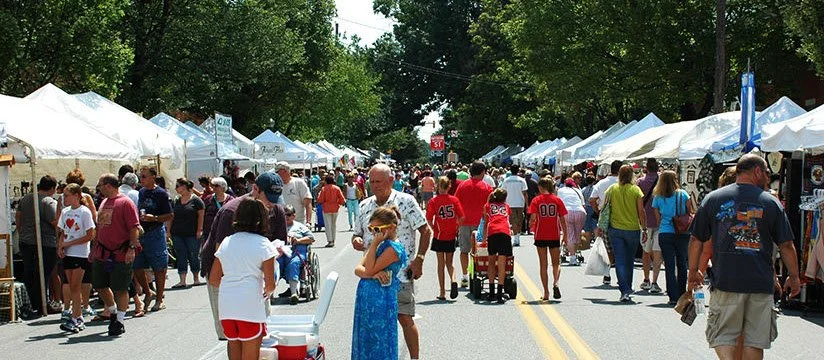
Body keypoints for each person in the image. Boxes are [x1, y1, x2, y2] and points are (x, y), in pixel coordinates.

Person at [688, 154, 801, 360]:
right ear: (757, 171)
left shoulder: (713, 198)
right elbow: (785, 245)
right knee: (755, 341)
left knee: (722, 335)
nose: (768, 178)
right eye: (767, 173)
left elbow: (697, 239)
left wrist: (694, 270)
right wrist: (794, 276)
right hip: (760, 283)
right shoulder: (771, 203)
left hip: (726, 281)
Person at [351, 164, 431, 360]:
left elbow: (425, 230)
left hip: (399, 273)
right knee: (375, 325)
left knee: (404, 317)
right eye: (372, 181)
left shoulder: (406, 201)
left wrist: (419, 259)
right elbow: (357, 235)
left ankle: (414, 358)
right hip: (371, 274)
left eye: (379, 181)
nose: (375, 185)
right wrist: (357, 240)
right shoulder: (364, 205)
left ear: (391, 181)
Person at [201, 172, 287, 340]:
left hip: (254, 275)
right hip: (222, 276)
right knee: (232, 335)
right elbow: (221, 254)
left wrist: (276, 252)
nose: (271, 204)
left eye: (275, 198)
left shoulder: (276, 209)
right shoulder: (231, 211)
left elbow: (280, 242)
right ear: (255, 189)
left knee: (258, 331)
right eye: (268, 198)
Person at [209, 198, 277, 360]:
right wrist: (264, 291)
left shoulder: (226, 242)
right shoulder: (264, 244)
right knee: (250, 352)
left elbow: (213, 279)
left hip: (227, 306)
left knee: (234, 347)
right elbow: (270, 284)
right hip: (250, 306)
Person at [351, 206, 409, 360]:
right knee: (366, 339)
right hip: (366, 300)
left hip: (381, 301)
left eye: (377, 229)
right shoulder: (378, 244)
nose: (373, 233)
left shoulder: (393, 249)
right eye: (371, 229)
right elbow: (358, 269)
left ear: (391, 227)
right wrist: (373, 273)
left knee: (380, 340)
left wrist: (374, 246)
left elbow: (367, 269)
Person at [92, 173, 140, 336]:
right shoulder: (104, 202)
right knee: (99, 284)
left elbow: (134, 227)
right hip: (102, 252)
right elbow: (100, 227)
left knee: (120, 287)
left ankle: (119, 320)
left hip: (120, 252)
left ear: (108, 185)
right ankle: (112, 312)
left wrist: (131, 248)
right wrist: (95, 248)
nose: (98, 188)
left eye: (100, 185)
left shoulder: (125, 203)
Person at [17, 175, 58, 317]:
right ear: (53, 188)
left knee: (29, 273)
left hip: (26, 241)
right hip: (45, 242)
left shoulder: (26, 198)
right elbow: (55, 223)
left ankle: (31, 303)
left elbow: (18, 217)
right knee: (43, 275)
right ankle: (42, 304)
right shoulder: (48, 202)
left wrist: (22, 231)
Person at [133, 166, 173, 312]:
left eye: (144, 176)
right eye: (140, 176)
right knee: (137, 265)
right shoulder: (141, 192)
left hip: (155, 232)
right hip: (142, 232)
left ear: (152, 177)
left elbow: (169, 215)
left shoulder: (161, 193)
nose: (141, 179)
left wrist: (154, 218)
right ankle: (149, 292)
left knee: (159, 267)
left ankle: (159, 298)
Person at [56, 184, 96, 333]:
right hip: (68, 253)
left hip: (80, 253)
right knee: (71, 285)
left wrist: (69, 243)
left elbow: (90, 235)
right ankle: (77, 316)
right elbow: (63, 231)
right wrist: (60, 246)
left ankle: (76, 316)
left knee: (75, 285)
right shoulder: (65, 212)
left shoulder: (84, 212)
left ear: (76, 195)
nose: (64, 198)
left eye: (66, 195)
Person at [651, 170, 694, 305]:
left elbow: (658, 219)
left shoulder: (658, 197)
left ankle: (672, 295)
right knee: (682, 262)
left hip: (665, 231)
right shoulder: (683, 194)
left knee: (670, 265)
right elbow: (690, 212)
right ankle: (682, 292)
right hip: (682, 233)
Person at [605, 165, 646, 302]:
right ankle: (627, 286)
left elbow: (604, 207)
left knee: (620, 260)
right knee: (629, 260)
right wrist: (644, 228)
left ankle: (624, 289)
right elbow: (641, 211)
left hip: (615, 229)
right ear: (631, 175)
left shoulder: (612, 189)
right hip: (632, 229)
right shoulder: (635, 190)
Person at [454, 161, 493, 288]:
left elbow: (456, 202)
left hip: (464, 222)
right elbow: (491, 206)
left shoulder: (462, 186)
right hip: (481, 223)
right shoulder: (487, 187)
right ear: (482, 172)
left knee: (464, 250)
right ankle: (478, 273)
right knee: (479, 250)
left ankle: (465, 276)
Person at [425, 177, 465, 300]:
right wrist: (456, 226)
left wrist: (433, 228)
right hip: (451, 235)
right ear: (449, 187)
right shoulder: (454, 200)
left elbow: (429, 218)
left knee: (440, 264)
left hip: (439, 234)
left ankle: (442, 292)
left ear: (437, 187)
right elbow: (462, 217)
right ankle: (453, 280)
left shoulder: (434, 201)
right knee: (449, 263)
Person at [528, 177, 568, 300]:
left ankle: (546, 292)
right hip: (554, 234)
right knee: (556, 264)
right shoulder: (557, 200)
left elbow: (533, 218)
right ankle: (555, 283)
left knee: (543, 265)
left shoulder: (536, 200)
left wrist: (530, 225)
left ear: (540, 187)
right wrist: (565, 235)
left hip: (540, 234)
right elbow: (562, 220)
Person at [589, 160, 623, 285]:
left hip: (605, 220)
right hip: (623, 219)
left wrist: (599, 212)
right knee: (621, 250)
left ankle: (607, 274)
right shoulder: (626, 184)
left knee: (607, 248)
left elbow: (592, 200)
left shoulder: (601, 183)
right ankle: (622, 277)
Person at [170, 178, 205, 288]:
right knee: (181, 255)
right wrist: (168, 231)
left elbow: (201, 216)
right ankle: (182, 280)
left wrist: (199, 230)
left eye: (178, 185)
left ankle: (196, 277)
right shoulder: (176, 200)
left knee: (194, 254)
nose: (176, 188)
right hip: (177, 232)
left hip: (192, 233)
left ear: (185, 187)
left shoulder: (196, 201)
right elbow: (172, 216)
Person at [277, 205, 315, 304]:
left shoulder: (300, 227)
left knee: (293, 264)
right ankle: (270, 293)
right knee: (274, 265)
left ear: (293, 216)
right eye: (284, 215)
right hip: (282, 252)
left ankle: (294, 293)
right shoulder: (278, 227)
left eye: (288, 215)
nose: (286, 217)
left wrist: (298, 240)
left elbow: (311, 238)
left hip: (298, 250)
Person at [481, 188, 513, 303]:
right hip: (504, 232)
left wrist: (484, 240)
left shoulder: (488, 206)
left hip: (493, 232)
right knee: (502, 264)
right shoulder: (506, 207)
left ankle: (491, 291)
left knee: (491, 262)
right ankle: (500, 292)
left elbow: (485, 223)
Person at [637, 158, 663, 293]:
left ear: (646, 167)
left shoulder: (640, 182)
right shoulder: (662, 181)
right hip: (660, 221)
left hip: (645, 222)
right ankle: (655, 282)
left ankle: (646, 279)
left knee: (646, 252)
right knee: (658, 253)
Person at [557, 178, 585, 265]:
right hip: (580, 211)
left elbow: (558, 202)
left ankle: (572, 257)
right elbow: (583, 204)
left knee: (569, 235)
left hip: (567, 211)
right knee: (577, 234)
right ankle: (574, 253)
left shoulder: (560, 190)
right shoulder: (578, 190)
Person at [500, 165, 528, 246]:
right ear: (518, 171)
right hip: (520, 203)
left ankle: (516, 236)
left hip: (510, 203)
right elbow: (525, 193)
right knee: (519, 220)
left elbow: (503, 192)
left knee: (514, 221)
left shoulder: (506, 180)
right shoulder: (522, 180)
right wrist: (527, 204)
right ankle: (516, 237)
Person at [203, 177, 234, 244]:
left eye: (216, 185)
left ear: (223, 187)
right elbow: (203, 214)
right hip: (209, 231)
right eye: (213, 185)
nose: (213, 187)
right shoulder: (208, 199)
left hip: (225, 231)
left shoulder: (231, 200)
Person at [317, 175, 345, 247]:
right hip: (335, 208)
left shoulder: (324, 189)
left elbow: (320, 200)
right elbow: (342, 199)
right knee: (333, 225)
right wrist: (340, 203)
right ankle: (333, 240)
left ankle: (330, 241)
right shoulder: (337, 188)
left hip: (326, 208)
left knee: (328, 225)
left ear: (326, 181)